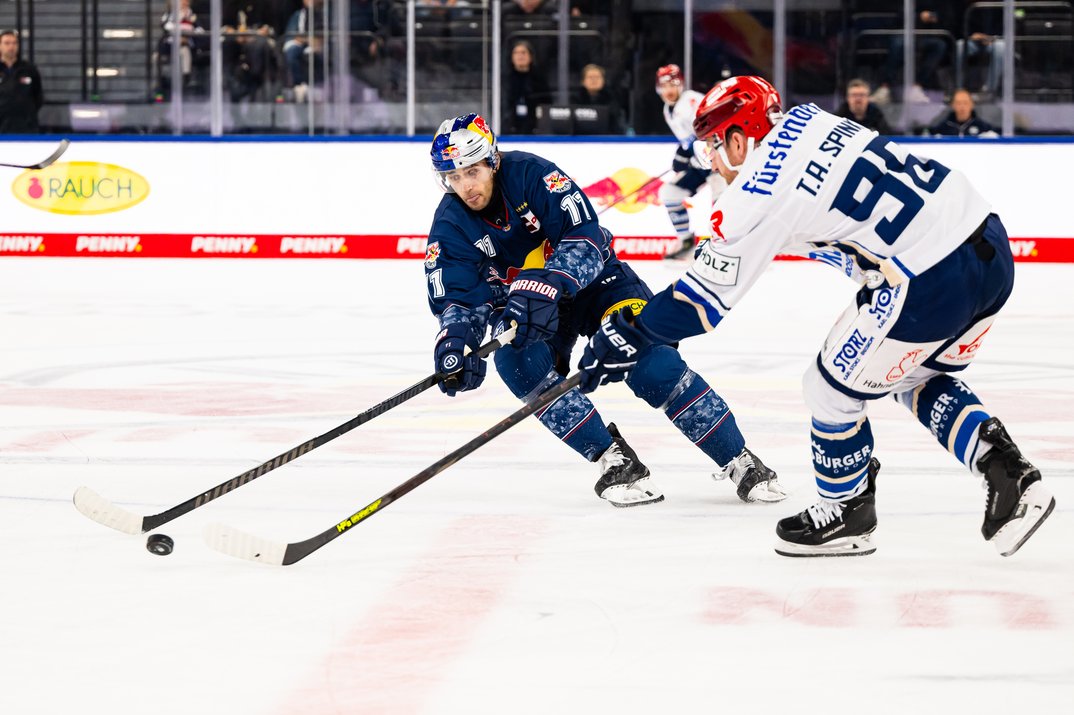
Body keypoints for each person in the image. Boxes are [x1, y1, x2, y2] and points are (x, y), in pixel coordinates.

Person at [578, 76, 1055, 557]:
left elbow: (698, 306)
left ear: (739, 140)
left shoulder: (755, 196)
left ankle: (847, 510)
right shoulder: (811, 118)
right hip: (988, 240)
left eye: (713, 148)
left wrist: (628, 334)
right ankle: (1009, 475)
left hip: (928, 276)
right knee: (915, 378)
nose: (713, 164)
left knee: (827, 390)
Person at [425, 112, 787, 508]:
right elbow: (459, 299)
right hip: (533, 308)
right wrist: (455, 342)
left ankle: (740, 459)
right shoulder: (450, 224)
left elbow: (586, 236)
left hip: (598, 285)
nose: (465, 186)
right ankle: (613, 459)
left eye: (472, 171)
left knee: (651, 362)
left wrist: (553, 279)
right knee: (516, 363)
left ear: (492, 160)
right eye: (454, 177)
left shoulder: (532, 174)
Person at [654, 64, 727, 260]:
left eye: (673, 85)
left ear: (681, 85)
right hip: (702, 161)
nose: (669, 91)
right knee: (669, 193)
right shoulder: (667, 110)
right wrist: (683, 154)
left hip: (719, 160)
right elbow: (688, 141)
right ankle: (686, 242)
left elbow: (712, 130)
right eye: (664, 86)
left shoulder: (692, 100)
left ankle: (729, 246)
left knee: (722, 201)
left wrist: (692, 152)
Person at [0, 30, 43, 133]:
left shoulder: (29, 69)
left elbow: (38, 97)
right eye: (7, 43)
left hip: (26, 128)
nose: (11, 47)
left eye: (14, 43)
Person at [503, 40, 549, 135]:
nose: (520, 56)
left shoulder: (539, 79)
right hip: (509, 129)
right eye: (516, 53)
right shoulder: (504, 80)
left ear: (531, 56)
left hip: (535, 129)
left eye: (523, 52)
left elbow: (546, 104)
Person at [572, 63, 626, 134]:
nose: (594, 80)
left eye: (597, 77)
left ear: (603, 81)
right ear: (583, 82)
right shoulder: (575, 99)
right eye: (590, 77)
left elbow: (616, 122)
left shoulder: (611, 98)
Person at [928, 88, 998, 137]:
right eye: (958, 103)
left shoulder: (983, 127)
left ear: (971, 104)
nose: (962, 106)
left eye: (965, 103)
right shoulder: (943, 128)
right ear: (953, 105)